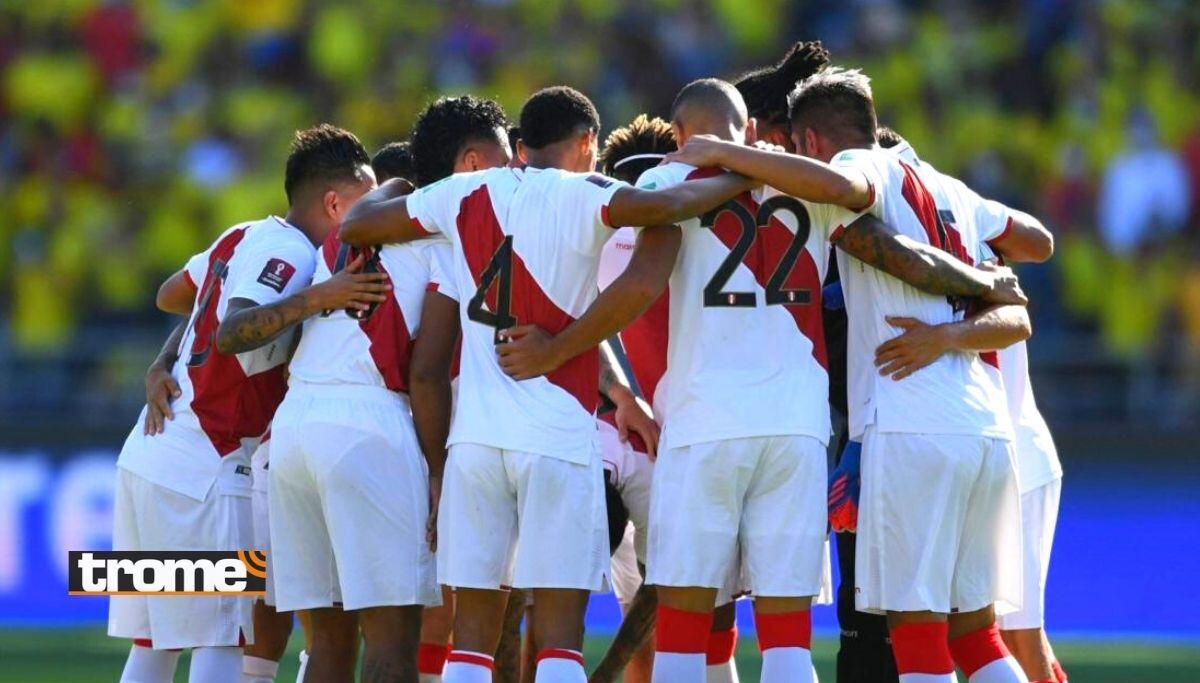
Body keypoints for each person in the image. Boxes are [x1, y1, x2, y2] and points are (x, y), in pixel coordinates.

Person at [339, 85, 755, 683]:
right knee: (559, 637)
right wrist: (745, 173)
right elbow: (670, 210)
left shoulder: (460, 193)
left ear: (522, 144)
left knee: (472, 639)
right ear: (588, 142)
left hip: (475, 445)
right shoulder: (585, 192)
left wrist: (396, 185)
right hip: (557, 438)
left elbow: (358, 226)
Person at [668, 67, 1034, 683]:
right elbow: (1032, 264)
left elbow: (844, 186)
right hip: (985, 429)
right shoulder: (955, 192)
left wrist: (730, 152)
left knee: (917, 635)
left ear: (810, 142)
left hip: (910, 425)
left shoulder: (863, 171)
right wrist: (952, 330)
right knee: (977, 635)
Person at [110, 124, 385, 683]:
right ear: (335, 202)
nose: (373, 213)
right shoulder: (293, 254)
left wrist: (168, 359)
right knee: (222, 639)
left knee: (156, 643)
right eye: (366, 198)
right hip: (207, 467)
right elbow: (233, 329)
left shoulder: (242, 235)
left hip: (152, 451)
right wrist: (319, 298)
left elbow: (176, 295)